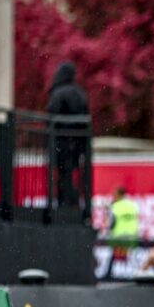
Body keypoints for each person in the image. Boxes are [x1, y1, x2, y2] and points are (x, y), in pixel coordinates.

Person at [45, 61, 89, 210]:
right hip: (77, 142)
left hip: (61, 142)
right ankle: (72, 203)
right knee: (71, 174)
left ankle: (64, 203)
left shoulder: (58, 92)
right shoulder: (79, 93)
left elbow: (51, 115)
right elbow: (85, 116)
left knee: (63, 174)